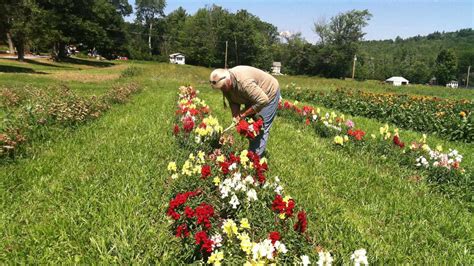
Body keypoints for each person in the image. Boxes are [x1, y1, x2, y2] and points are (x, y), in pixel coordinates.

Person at [209, 66, 281, 157]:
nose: (222, 90)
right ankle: (251, 153)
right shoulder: (226, 84)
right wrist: (235, 116)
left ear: (228, 79)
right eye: (220, 88)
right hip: (253, 96)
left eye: (223, 87)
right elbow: (233, 101)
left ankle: (254, 161)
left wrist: (243, 114)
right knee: (250, 128)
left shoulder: (244, 82)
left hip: (268, 93)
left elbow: (263, 100)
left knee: (260, 127)